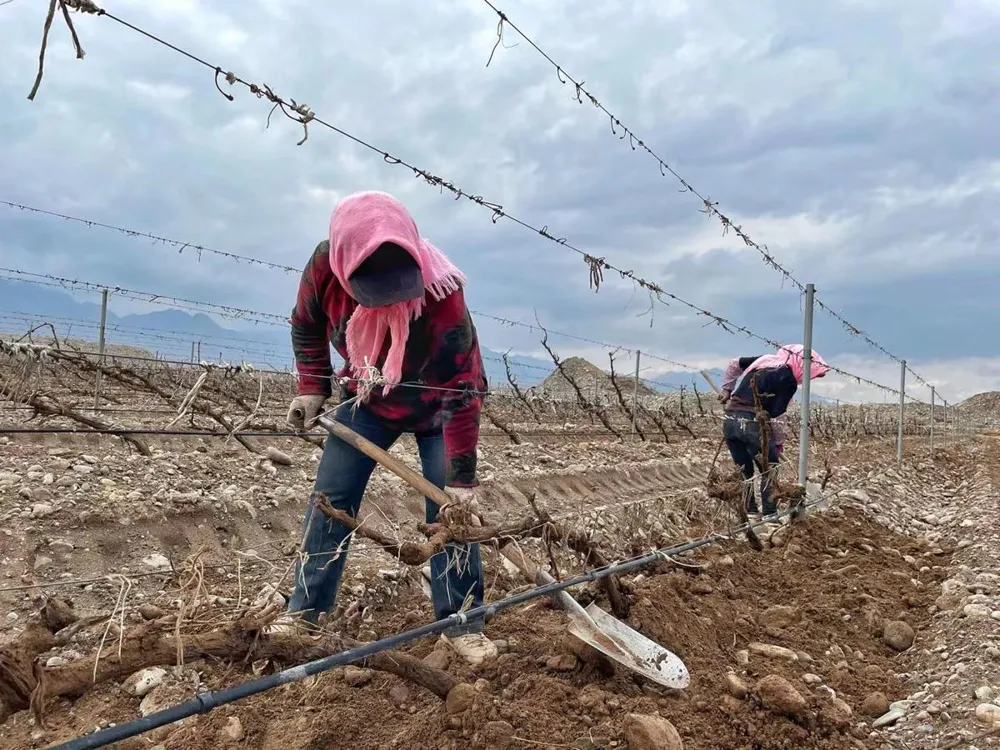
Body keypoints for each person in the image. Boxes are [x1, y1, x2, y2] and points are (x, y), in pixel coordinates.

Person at [273, 190, 496, 666]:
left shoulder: (442, 292)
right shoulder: (325, 268)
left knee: (450, 513)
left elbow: (462, 386)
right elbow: (305, 324)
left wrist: (461, 478)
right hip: (370, 394)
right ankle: (305, 614)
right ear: (344, 266)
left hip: (440, 407)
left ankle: (462, 622)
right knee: (330, 499)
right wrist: (312, 386)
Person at [722, 345, 829, 517]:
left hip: (729, 419)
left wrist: (727, 389)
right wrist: (777, 443)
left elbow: (734, 364)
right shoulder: (788, 380)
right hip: (752, 423)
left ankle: (750, 512)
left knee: (743, 469)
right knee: (769, 468)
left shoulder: (763, 361)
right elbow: (777, 416)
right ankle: (770, 515)